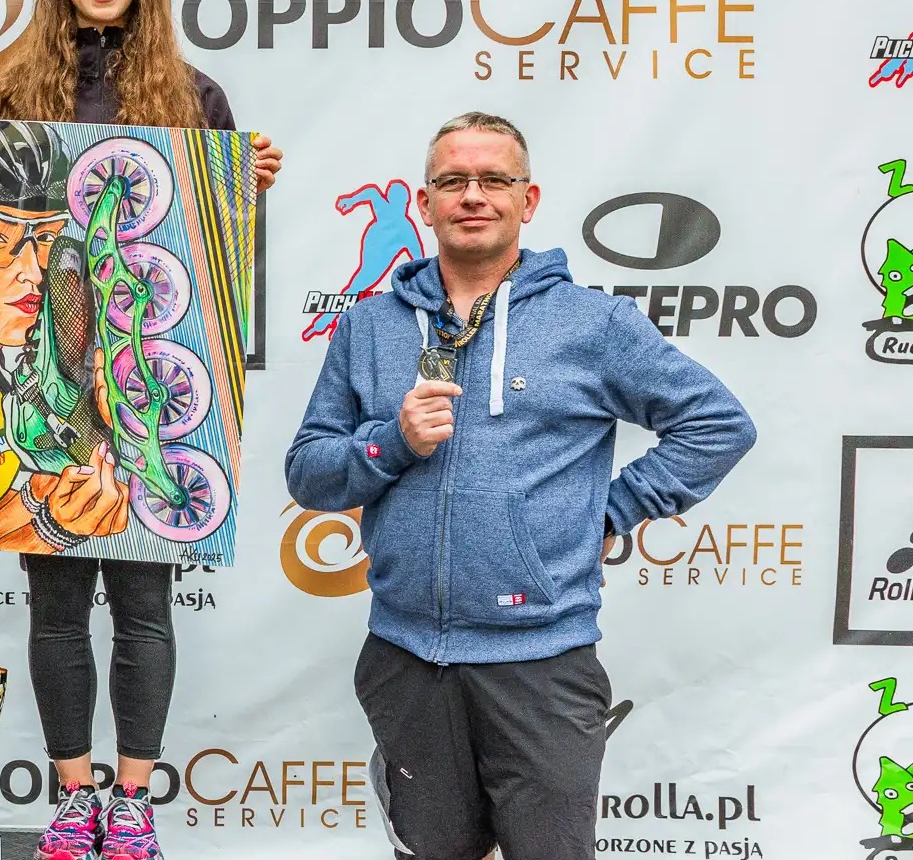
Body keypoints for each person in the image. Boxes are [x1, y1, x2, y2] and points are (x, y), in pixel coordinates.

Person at [0, 0, 281, 860]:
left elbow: (216, 265)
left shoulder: (193, 95)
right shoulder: (12, 92)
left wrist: (241, 189)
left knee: (144, 604)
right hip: (45, 380)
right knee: (56, 606)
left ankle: (134, 803)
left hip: (151, 376)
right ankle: (73, 797)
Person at [284, 112, 757, 860]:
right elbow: (309, 470)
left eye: (494, 179)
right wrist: (391, 442)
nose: (473, 195)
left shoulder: (593, 324)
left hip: (542, 661)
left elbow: (718, 425)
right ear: (424, 203)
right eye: (453, 181)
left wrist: (609, 513)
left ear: (526, 200)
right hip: (404, 657)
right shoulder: (370, 326)